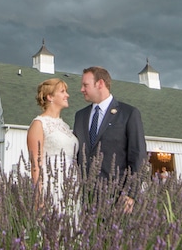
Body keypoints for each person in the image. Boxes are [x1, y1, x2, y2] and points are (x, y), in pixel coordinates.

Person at [74, 66, 148, 213]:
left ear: (100, 84)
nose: (82, 89)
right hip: (83, 199)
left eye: (85, 85)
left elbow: (138, 156)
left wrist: (130, 194)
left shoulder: (128, 114)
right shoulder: (80, 116)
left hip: (116, 198)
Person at [26, 78, 79, 213]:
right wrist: (39, 197)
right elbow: (35, 164)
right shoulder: (39, 124)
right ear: (50, 97)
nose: (67, 95)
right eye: (62, 92)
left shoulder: (65, 126)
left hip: (72, 185)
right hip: (53, 185)